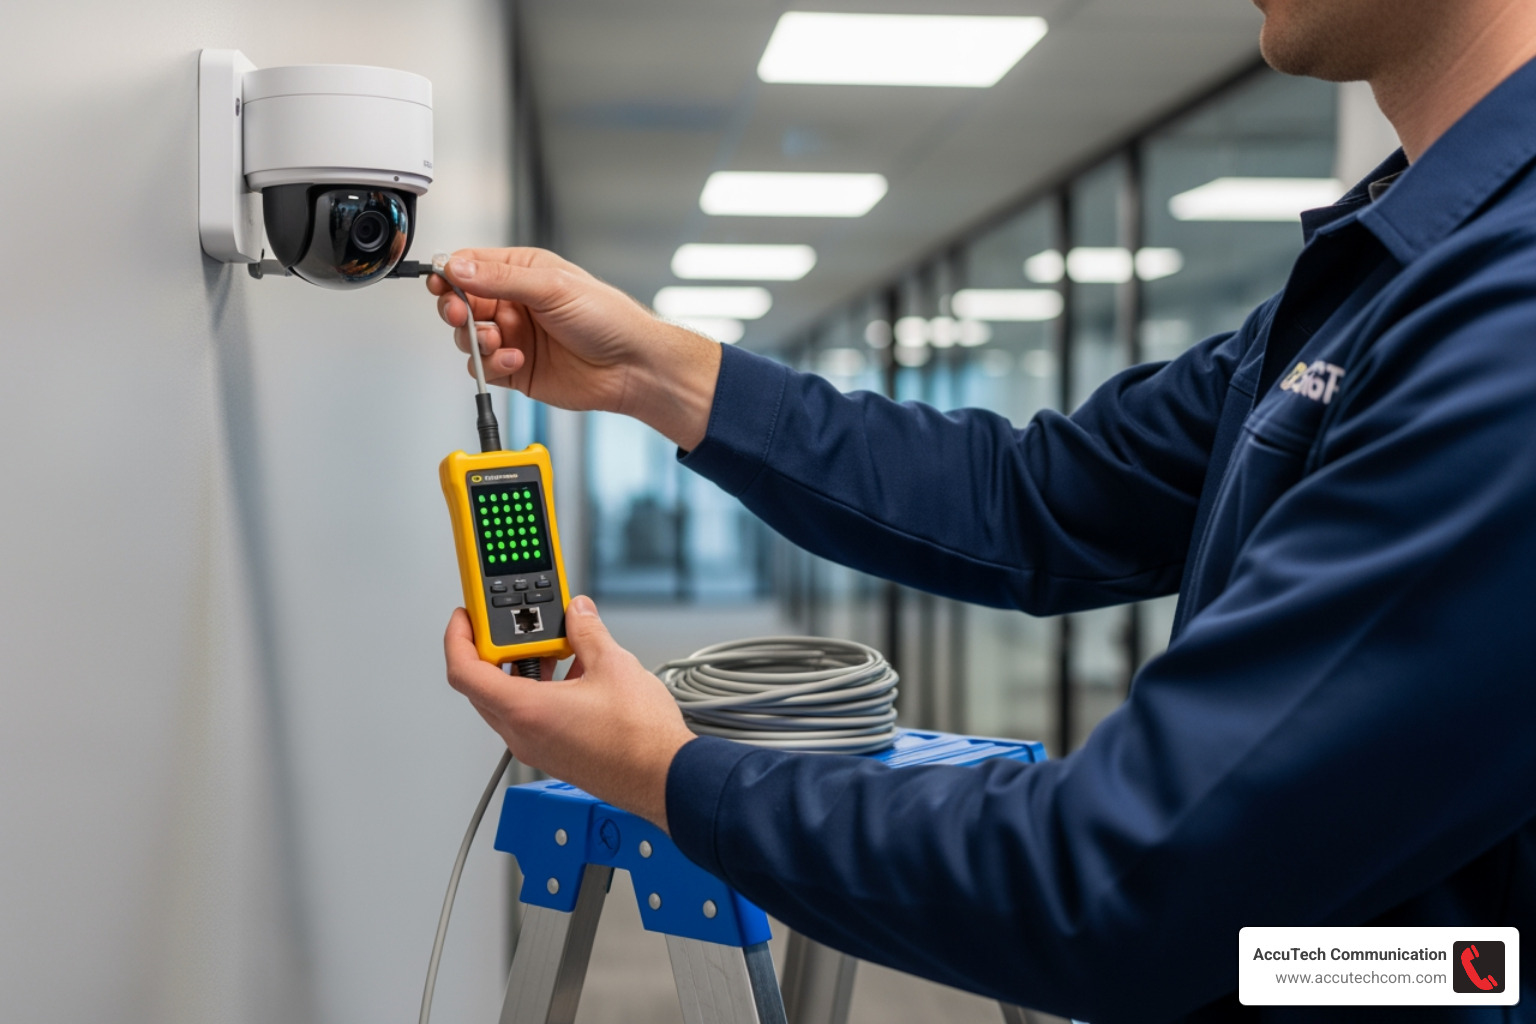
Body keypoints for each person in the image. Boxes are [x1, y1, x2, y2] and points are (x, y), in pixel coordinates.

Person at [427, 0, 1536, 1019]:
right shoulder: (1384, 276)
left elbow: (1112, 879)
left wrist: (665, 771)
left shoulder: (1509, 315)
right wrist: (656, 376)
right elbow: (1032, 495)